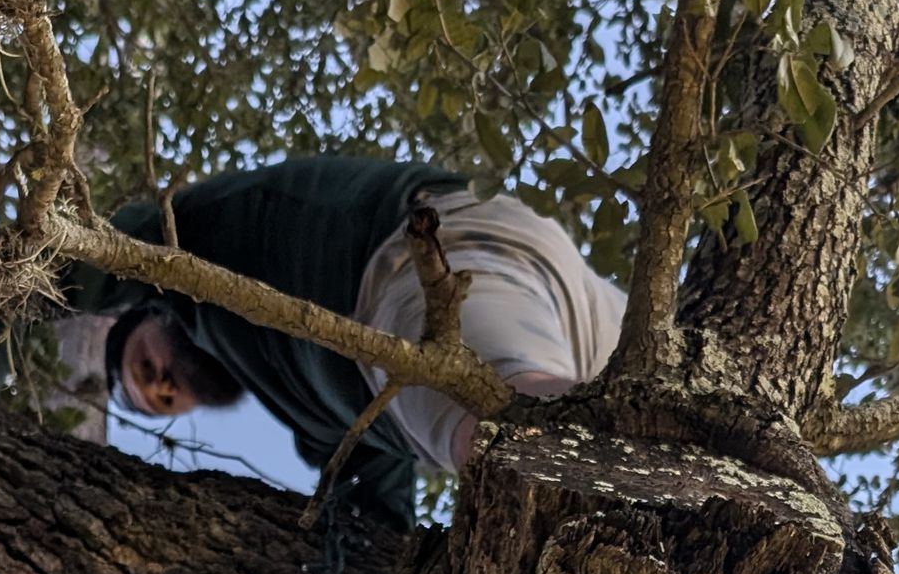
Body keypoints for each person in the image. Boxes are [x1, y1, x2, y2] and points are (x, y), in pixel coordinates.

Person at [62, 154, 625, 525]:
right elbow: (373, 500)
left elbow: (68, 263)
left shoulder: (189, 240)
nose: (164, 387)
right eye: (163, 404)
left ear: (149, 318)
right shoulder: (309, 411)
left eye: (143, 369)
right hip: (575, 311)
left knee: (514, 427)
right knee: (680, 390)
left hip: (423, 264)